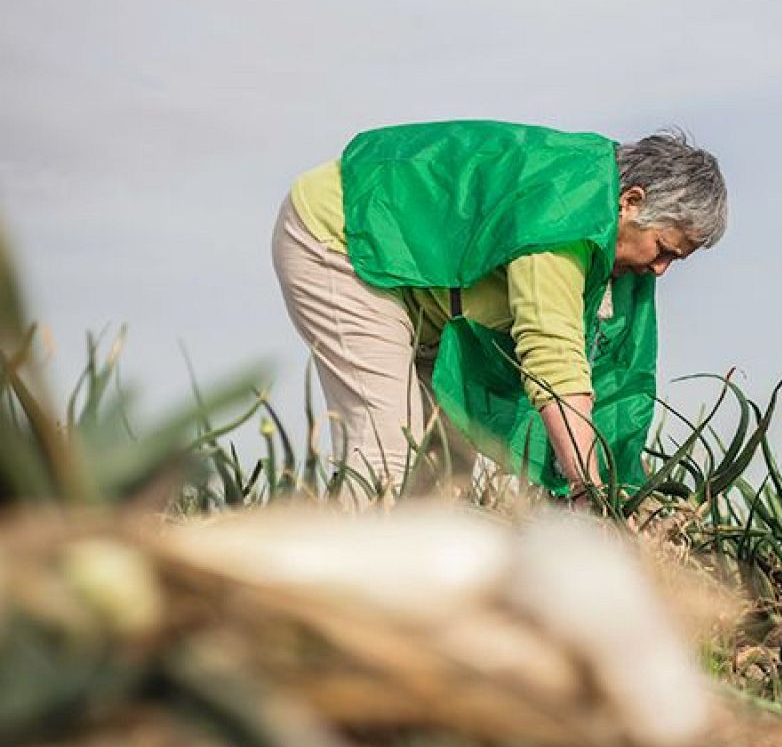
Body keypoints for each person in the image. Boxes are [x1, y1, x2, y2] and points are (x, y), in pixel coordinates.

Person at [272, 121, 727, 502]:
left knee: (442, 470)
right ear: (631, 202)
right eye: (664, 249)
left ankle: (418, 601)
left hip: (424, 293)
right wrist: (590, 493)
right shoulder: (564, 217)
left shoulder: (613, 246)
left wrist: (618, 482)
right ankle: (333, 599)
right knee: (387, 455)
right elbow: (553, 361)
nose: (662, 271)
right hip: (346, 238)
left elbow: (611, 381)